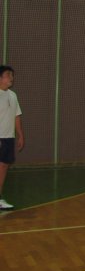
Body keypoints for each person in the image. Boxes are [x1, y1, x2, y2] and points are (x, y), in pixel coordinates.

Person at [0, 65, 24, 210]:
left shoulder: (13, 95)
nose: (11, 78)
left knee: (3, 167)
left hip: (8, 138)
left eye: (12, 75)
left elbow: (16, 116)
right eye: (8, 75)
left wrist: (20, 135)